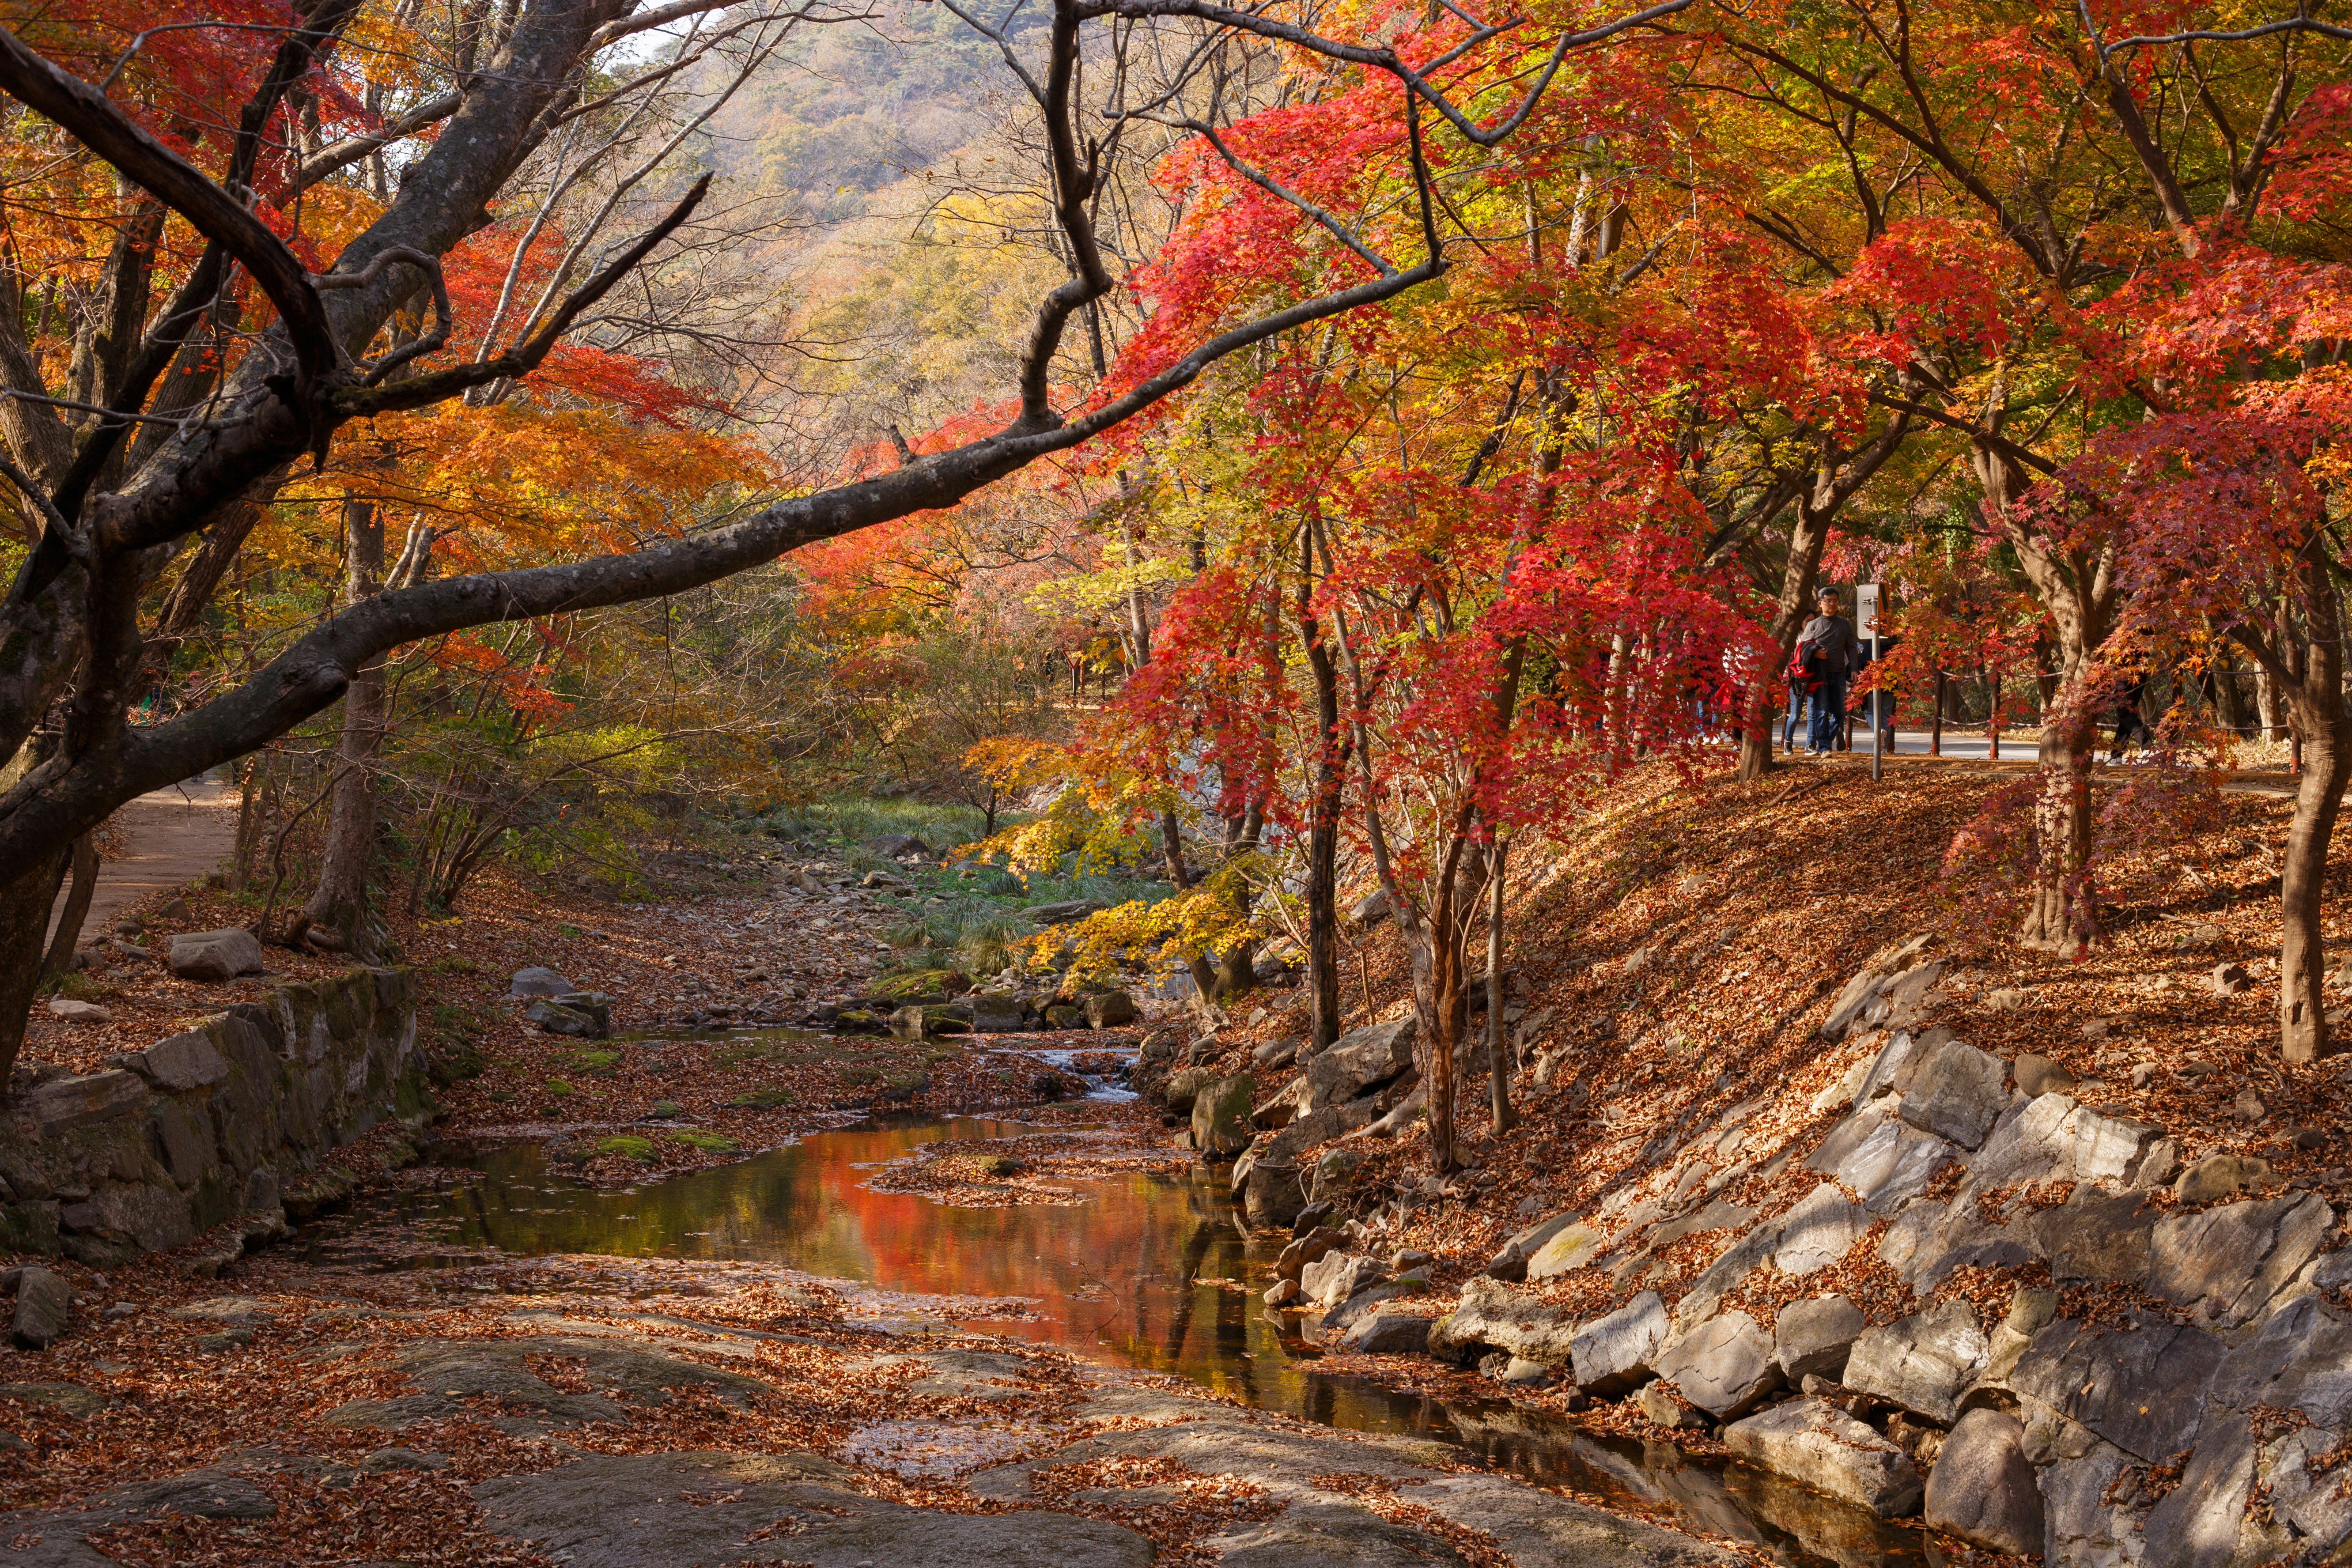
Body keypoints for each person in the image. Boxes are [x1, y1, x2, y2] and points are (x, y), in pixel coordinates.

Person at [1796, 586, 1861, 755]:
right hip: (1818, 675)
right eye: (1828, 601)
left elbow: (1852, 648)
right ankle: (1825, 748)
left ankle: (1825, 740)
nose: (1832, 604)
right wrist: (1815, 652)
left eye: (1835, 601)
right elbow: (1802, 649)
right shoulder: (1813, 625)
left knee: (1839, 713)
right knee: (1821, 711)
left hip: (1839, 673)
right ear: (1820, 603)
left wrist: (1854, 669)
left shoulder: (1844, 625)